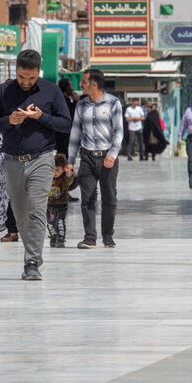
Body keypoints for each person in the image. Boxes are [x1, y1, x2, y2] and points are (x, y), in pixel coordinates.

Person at [0, 49, 72, 280]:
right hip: (12, 162)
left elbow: (65, 124)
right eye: (22, 77)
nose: (25, 82)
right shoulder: (4, 91)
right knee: (21, 215)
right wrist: (9, 120)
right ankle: (35, 255)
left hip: (42, 159)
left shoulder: (51, 91)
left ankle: (31, 261)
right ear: (16, 70)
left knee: (36, 210)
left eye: (31, 78)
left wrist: (41, 117)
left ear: (38, 72)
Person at [66, 68, 125, 249]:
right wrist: (70, 161)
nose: (80, 85)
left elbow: (118, 132)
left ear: (94, 84)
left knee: (109, 199)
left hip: (107, 158)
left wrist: (112, 154)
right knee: (87, 199)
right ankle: (90, 238)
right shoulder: (81, 105)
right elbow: (75, 134)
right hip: (87, 158)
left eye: (84, 81)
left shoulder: (114, 103)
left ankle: (107, 236)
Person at [47, 154, 79, 248]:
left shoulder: (64, 179)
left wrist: (69, 174)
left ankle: (60, 238)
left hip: (61, 205)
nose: (55, 173)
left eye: (57, 170)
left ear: (63, 169)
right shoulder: (48, 178)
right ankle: (53, 236)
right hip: (49, 205)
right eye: (53, 169)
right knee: (50, 223)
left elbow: (70, 180)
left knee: (60, 221)